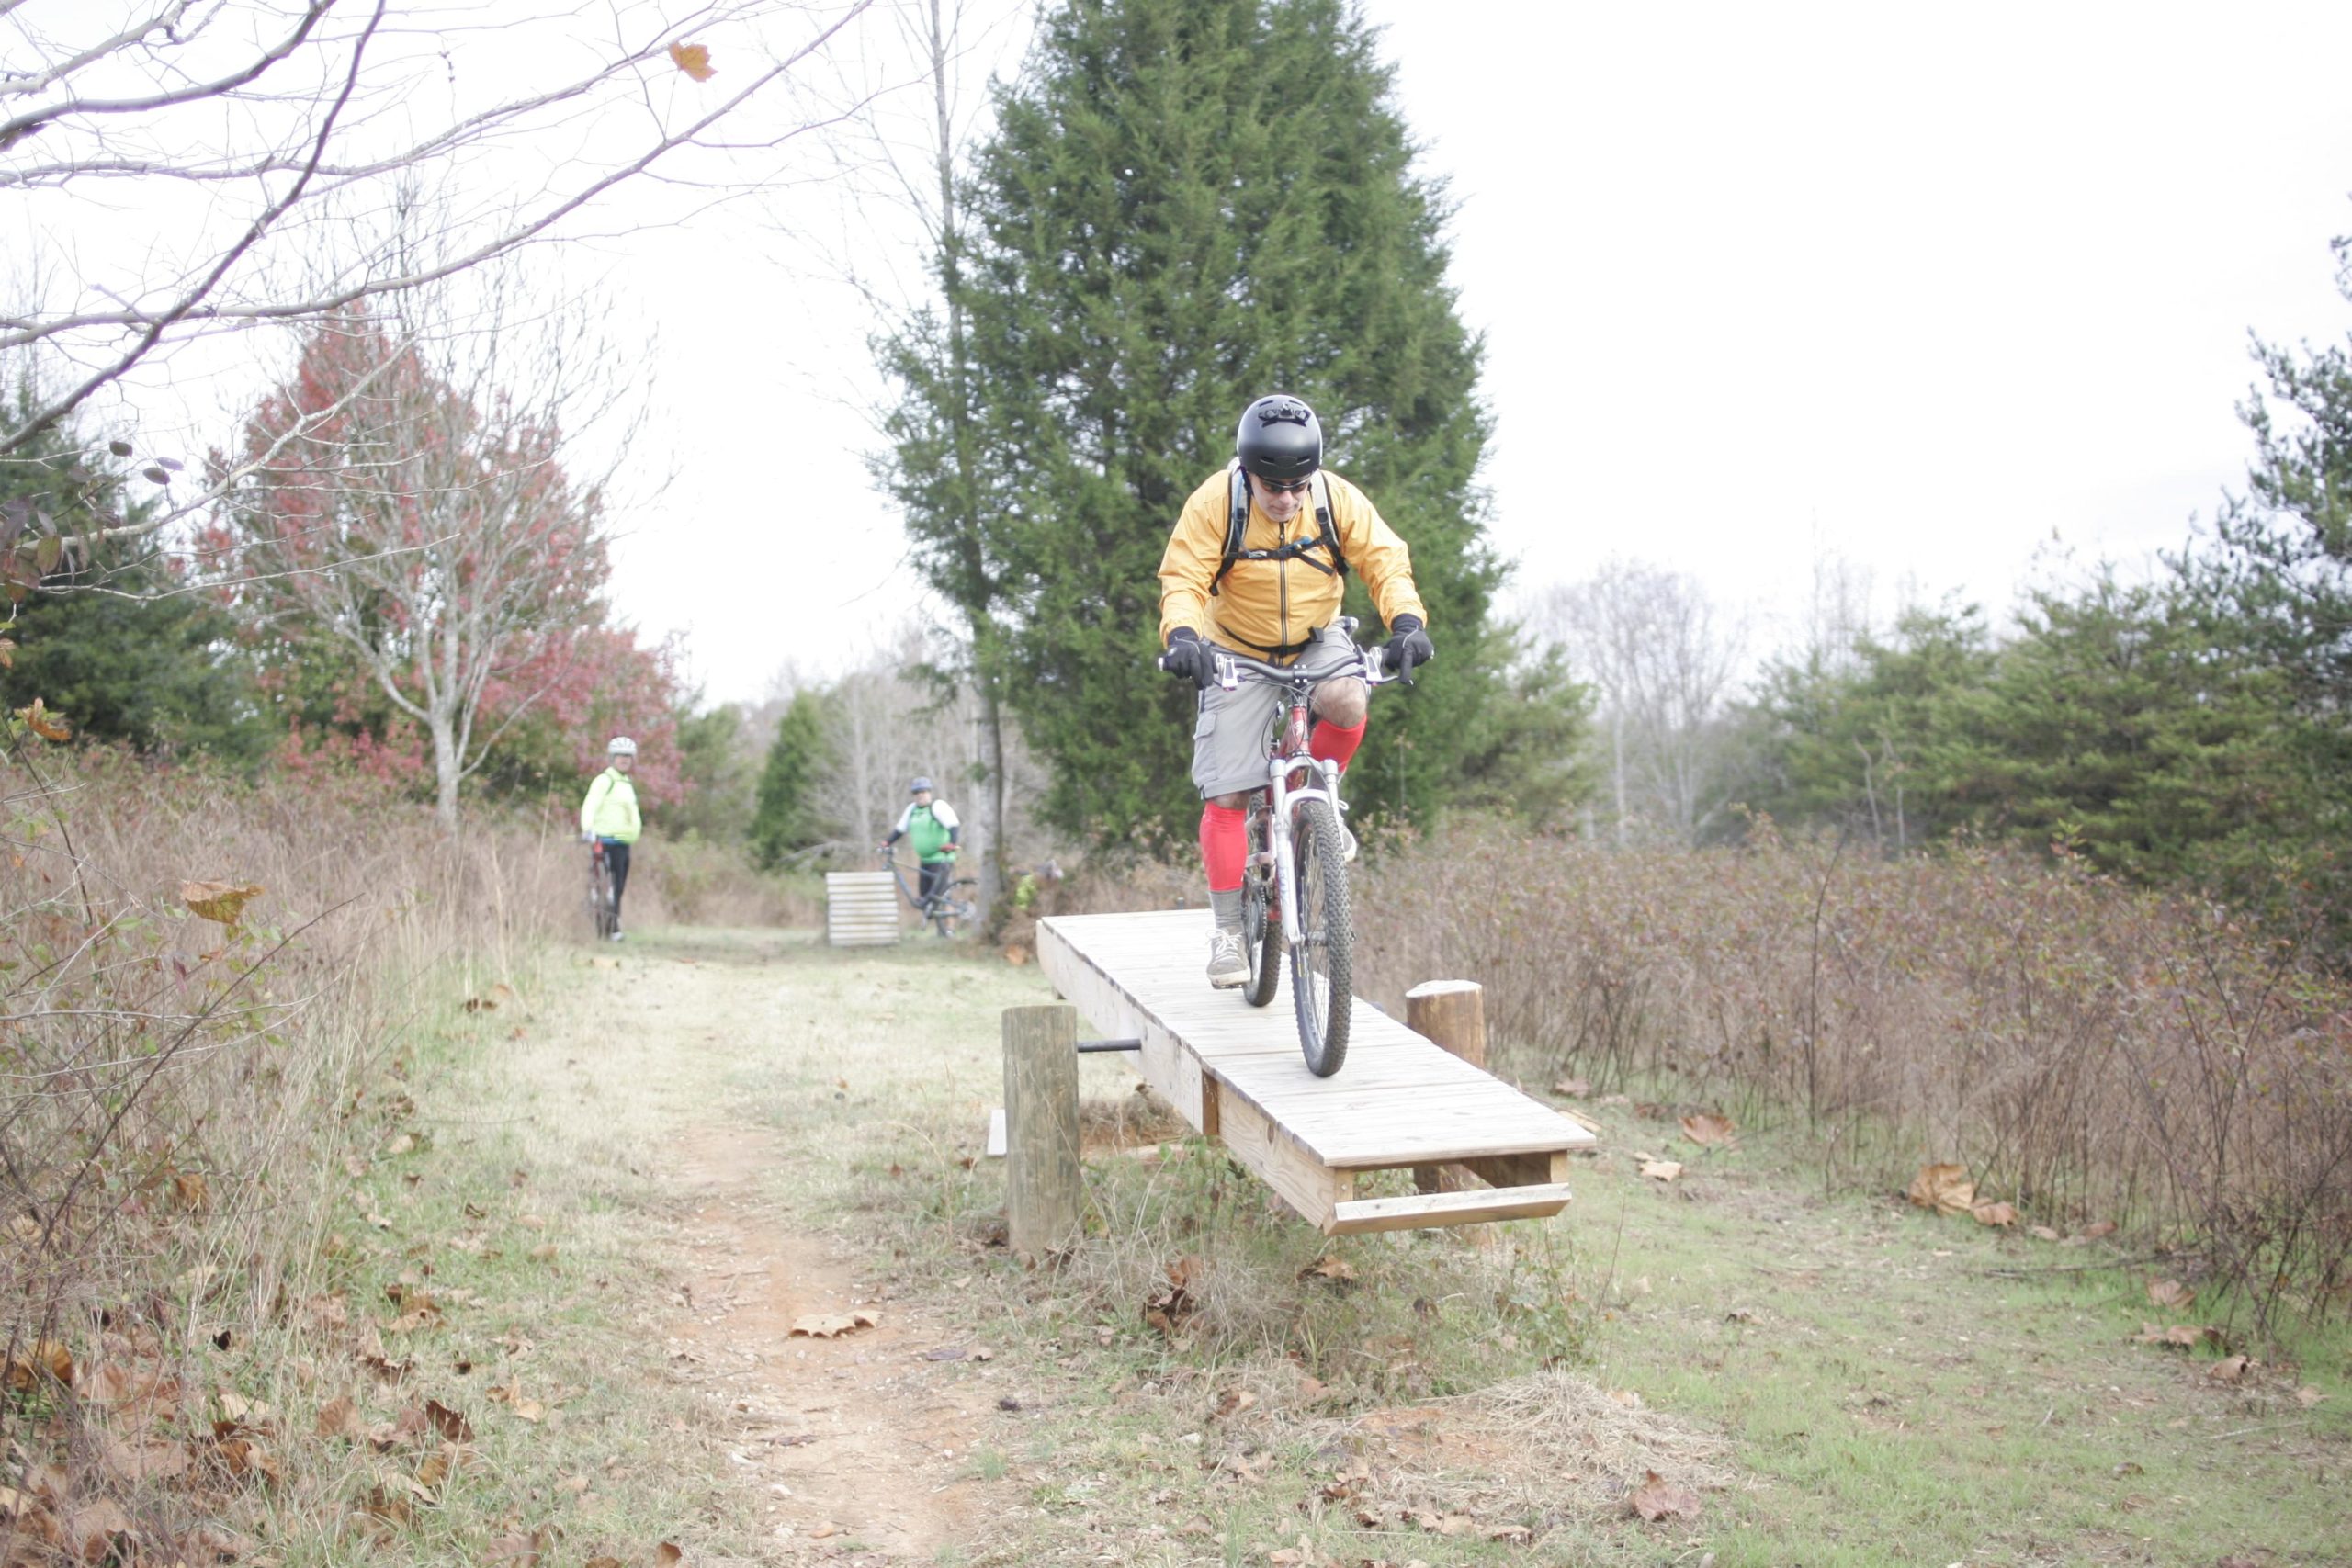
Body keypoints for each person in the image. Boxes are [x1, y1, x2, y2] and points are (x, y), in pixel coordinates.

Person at [1157, 393, 1437, 989]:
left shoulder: (1336, 501)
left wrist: (1408, 624)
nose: (1285, 498)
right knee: (1228, 793)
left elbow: (1386, 562)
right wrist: (1183, 636)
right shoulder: (1216, 503)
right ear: (1248, 473)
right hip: (1234, 645)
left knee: (1349, 699)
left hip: (1316, 636)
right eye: (1271, 485)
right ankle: (1230, 929)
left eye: (1296, 486)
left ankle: (1318, 807)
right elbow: (1183, 577)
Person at [580, 737, 642, 941]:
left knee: (619, 887)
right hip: (605, 842)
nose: (625, 760)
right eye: (621, 756)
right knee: (607, 888)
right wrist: (587, 828)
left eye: (628, 756)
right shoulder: (604, 780)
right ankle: (610, 929)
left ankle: (612, 926)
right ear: (612, 758)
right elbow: (590, 804)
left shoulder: (626, 783)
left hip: (624, 843)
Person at [881, 775, 962, 922]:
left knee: (941, 894)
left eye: (923, 792)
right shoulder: (912, 810)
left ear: (929, 792)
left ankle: (949, 929)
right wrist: (887, 842)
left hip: (941, 858)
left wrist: (952, 843)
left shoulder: (937, 806)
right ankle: (937, 926)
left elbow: (953, 825)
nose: (920, 796)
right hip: (925, 860)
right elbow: (899, 830)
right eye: (917, 793)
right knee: (924, 897)